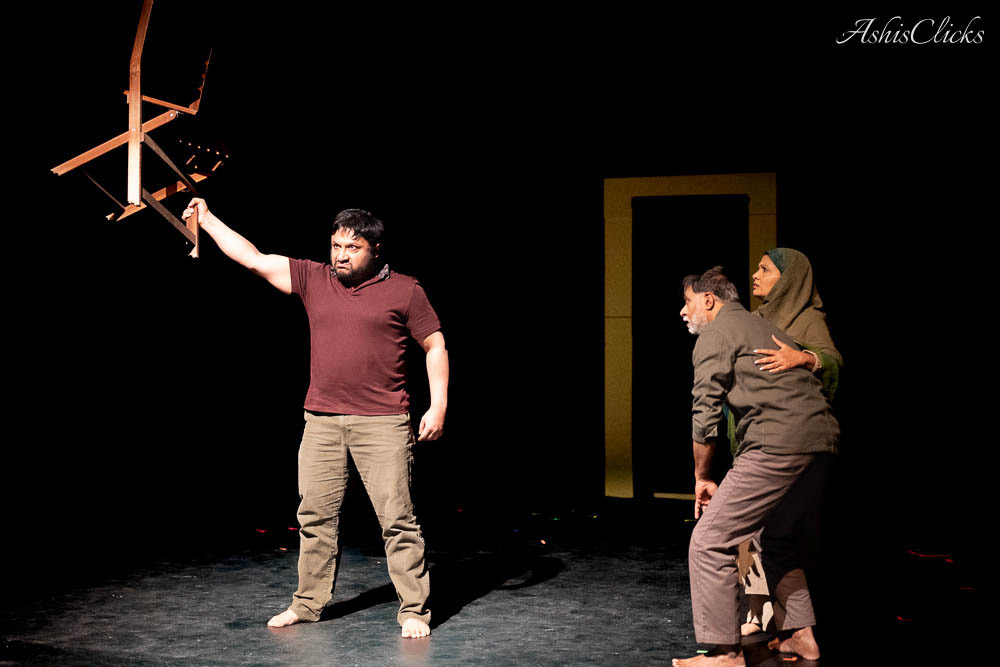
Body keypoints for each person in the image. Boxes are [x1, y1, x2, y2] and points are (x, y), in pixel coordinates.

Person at [182, 198, 448, 639]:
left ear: (375, 250)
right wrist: (207, 220)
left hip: (382, 422)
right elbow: (254, 259)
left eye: (352, 248)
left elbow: (435, 345)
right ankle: (307, 604)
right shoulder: (314, 278)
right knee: (315, 518)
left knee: (397, 521)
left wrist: (437, 406)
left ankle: (414, 610)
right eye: (336, 246)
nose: (341, 255)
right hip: (322, 421)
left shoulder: (405, 290)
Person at [673, 266, 838, 666]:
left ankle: (724, 653)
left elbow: (705, 414)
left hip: (777, 445)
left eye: (688, 301)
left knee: (709, 541)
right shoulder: (762, 325)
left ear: (709, 299)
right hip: (821, 442)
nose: (683, 311)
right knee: (774, 536)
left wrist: (702, 477)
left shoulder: (716, 333)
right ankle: (801, 637)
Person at [738, 248, 843, 636]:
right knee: (746, 533)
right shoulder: (754, 319)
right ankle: (757, 610)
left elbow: (833, 361)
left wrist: (804, 358)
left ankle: (794, 625)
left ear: (789, 278)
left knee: (771, 532)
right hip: (754, 434)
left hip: (791, 440)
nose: (755, 274)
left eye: (765, 269)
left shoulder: (807, 318)